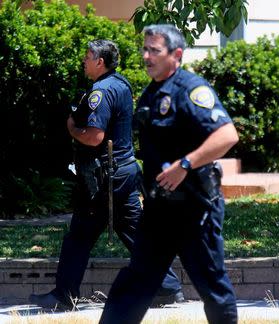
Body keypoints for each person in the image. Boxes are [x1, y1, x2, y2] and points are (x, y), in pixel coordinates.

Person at [99, 25, 239, 324]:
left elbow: (227, 135)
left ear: (176, 54)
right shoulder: (152, 92)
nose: (146, 56)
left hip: (195, 207)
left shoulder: (191, 89)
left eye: (154, 51)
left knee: (212, 285)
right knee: (136, 281)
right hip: (159, 209)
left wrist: (185, 165)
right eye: (145, 49)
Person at [29, 40, 183, 310]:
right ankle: (166, 285)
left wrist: (72, 129)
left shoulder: (99, 91)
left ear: (100, 62)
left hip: (105, 178)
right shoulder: (121, 84)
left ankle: (64, 296)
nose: (84, 61)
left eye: (88, 57)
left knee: (78, 237)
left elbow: (94, 137)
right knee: (135, 231)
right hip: (125, 171)